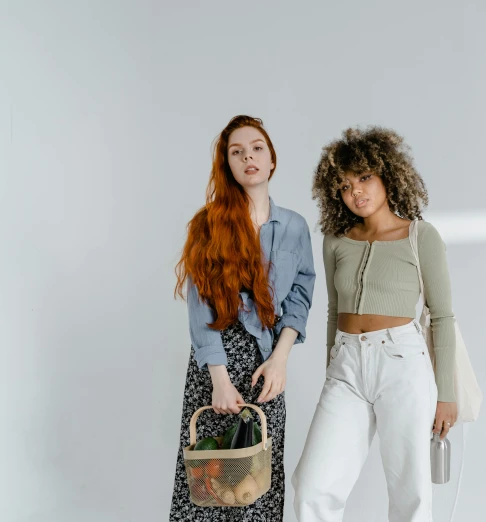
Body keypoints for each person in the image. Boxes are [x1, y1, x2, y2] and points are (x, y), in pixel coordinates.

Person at [292, 126, 457, 522]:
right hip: (346, 366)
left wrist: (446, 394)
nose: (356, 192)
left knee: (410, 492)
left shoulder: (421, 236)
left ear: (387, 174)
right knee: (312, 485)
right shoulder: (336, 240)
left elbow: (443, 315)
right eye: (345, 185)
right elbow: (333, 311)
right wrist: (332, 368)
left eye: (364, 178)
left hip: (402, 362)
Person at [169, 115, 315, 521]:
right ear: (228, 165)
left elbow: (302, 296)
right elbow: (200, 308)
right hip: (216, 364)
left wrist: (281, 358)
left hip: (268, 362)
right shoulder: (209, 224)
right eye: (237, 152)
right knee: (210, 481)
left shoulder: (294, 227)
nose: (248, 156)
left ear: (271, 160)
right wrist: (219, 379)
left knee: (259, 477)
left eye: (256, 149)